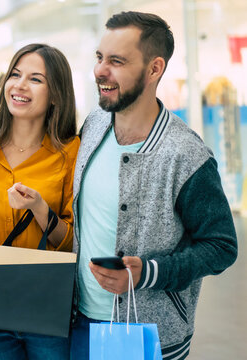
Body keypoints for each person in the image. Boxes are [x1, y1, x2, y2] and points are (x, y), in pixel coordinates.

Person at [69, 12, 238, 360]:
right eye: (99, 58)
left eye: (117, 61)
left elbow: (221, 246)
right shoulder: (94, 125)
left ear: (154, 69)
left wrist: (148, 273)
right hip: (79, 320)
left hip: (147, 336)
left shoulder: (186, 155)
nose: (101, 70)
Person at [0, 43, 79, 359]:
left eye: (35, 79)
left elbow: (70, 241)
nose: (20, 85)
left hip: (45, 301)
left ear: (56, 94)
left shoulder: (70, 152)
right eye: (15, 74)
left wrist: (40, 208)